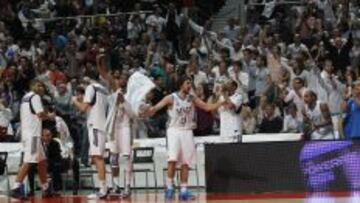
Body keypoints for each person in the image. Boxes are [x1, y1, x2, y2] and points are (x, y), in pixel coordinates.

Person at [143, 76, 226, 200]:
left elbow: (207, 107)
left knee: (186, 162)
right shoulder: (171, 97)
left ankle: (183, 190)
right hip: (174, 131)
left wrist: (221, 101)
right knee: (172, 160)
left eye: (190, 84)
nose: (190, 86)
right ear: (181, 84)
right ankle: (169, 188)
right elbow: (155, 109)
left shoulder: (192, 98)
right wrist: (147, 110)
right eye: (187, 83)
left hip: (187, 131)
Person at [10, 80, 55, 199]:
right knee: (29, 161)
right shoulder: (35, 97)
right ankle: (16, 187)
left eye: (42, 86)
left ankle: (46, 188)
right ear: (32, 86)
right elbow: (40, 114)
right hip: (33, 135)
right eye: (38, 85)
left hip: (28, 133)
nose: (41, 88)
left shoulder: (25, 97)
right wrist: (50, 116)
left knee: (42, 162)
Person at [72, 73, 109, 199]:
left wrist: (75, 101)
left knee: (98, 157)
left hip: (95, 126)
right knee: (98, 157)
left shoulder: (91, 88)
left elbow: (83, 108)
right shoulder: (103, 89)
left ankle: (103, 190)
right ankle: (103, 187)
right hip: (101, 124)